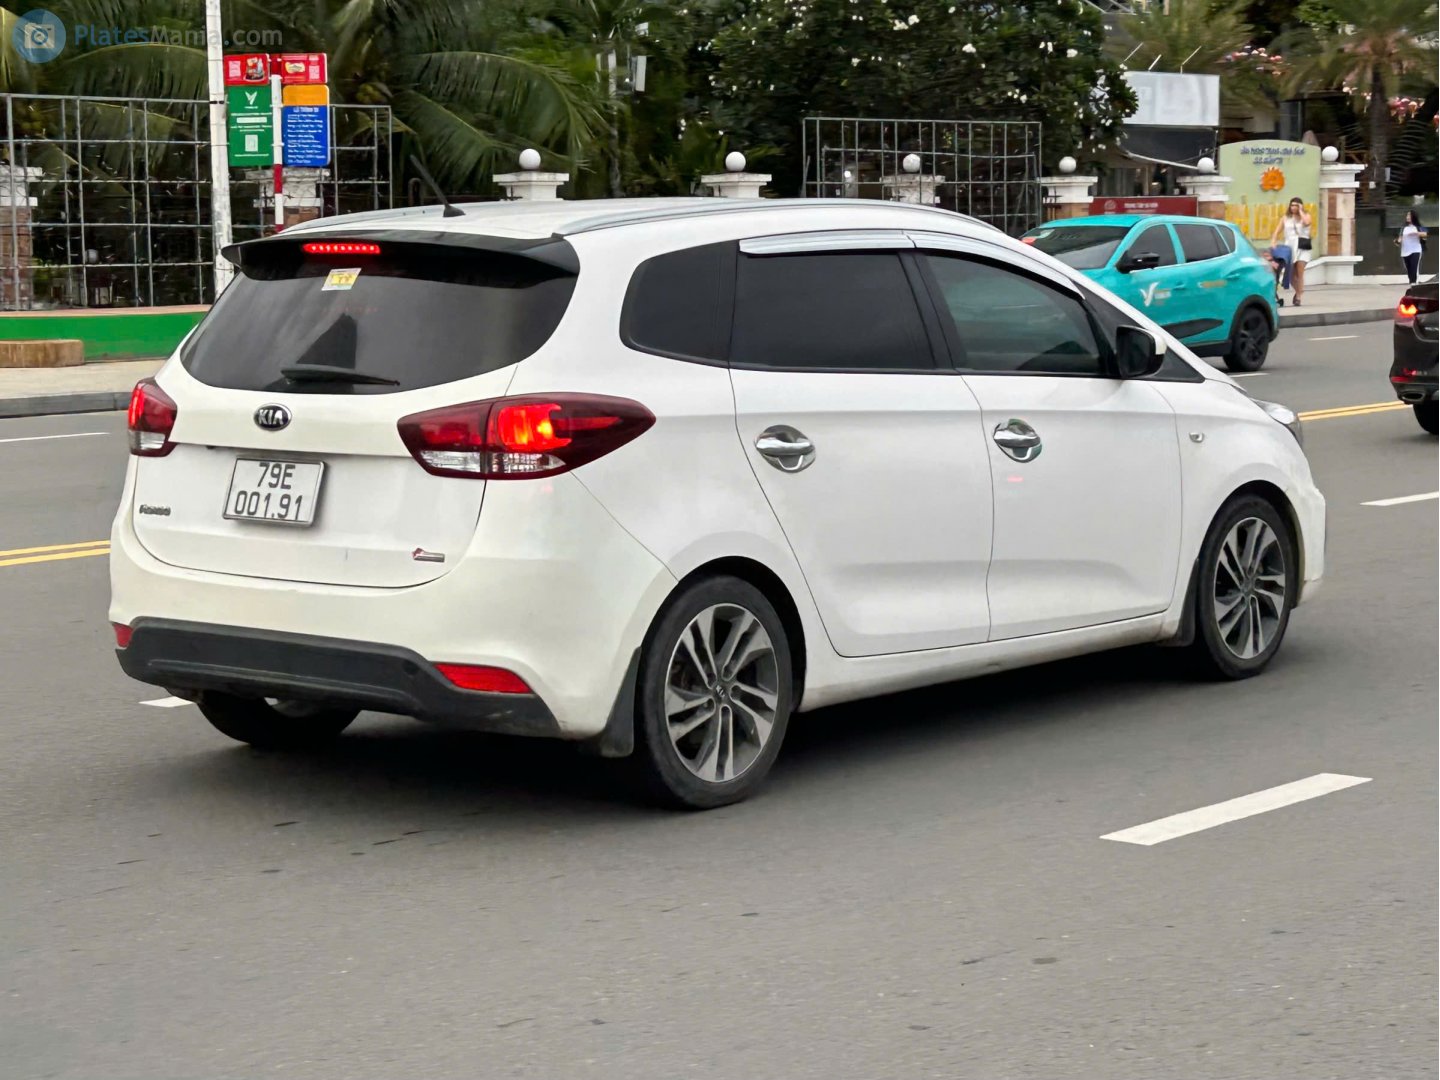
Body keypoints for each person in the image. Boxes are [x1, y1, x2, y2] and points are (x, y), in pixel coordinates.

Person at [1270, 198, 1313, 306]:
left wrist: (1301, 211)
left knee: (1300, 272)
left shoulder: (1306, 216)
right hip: (1290, 247)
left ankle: (1298, 297)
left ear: (1300, 206)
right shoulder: (1285, 218)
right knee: (1291, 274)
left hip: (1303, 247)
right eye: (1292, 205)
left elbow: (1307, 223)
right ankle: (1299, 291)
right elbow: (1277, 231)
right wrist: (1274, 241)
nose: (1293, 207)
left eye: (1296, 205)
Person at [1398, 209, 1428, 284]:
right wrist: (1398, 241)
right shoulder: (1403, 227)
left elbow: (1425, 234)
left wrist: (1416, 233)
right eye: (1407, 215)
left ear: (1413, 217)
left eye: (1409, 215)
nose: (1408, 217)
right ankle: (1412, 282)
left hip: (1416, 250)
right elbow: (1400, 238)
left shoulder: (1418, 226)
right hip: (1405, 251)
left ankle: (1414, 284)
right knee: (1409, 269)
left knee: (1414, 268)